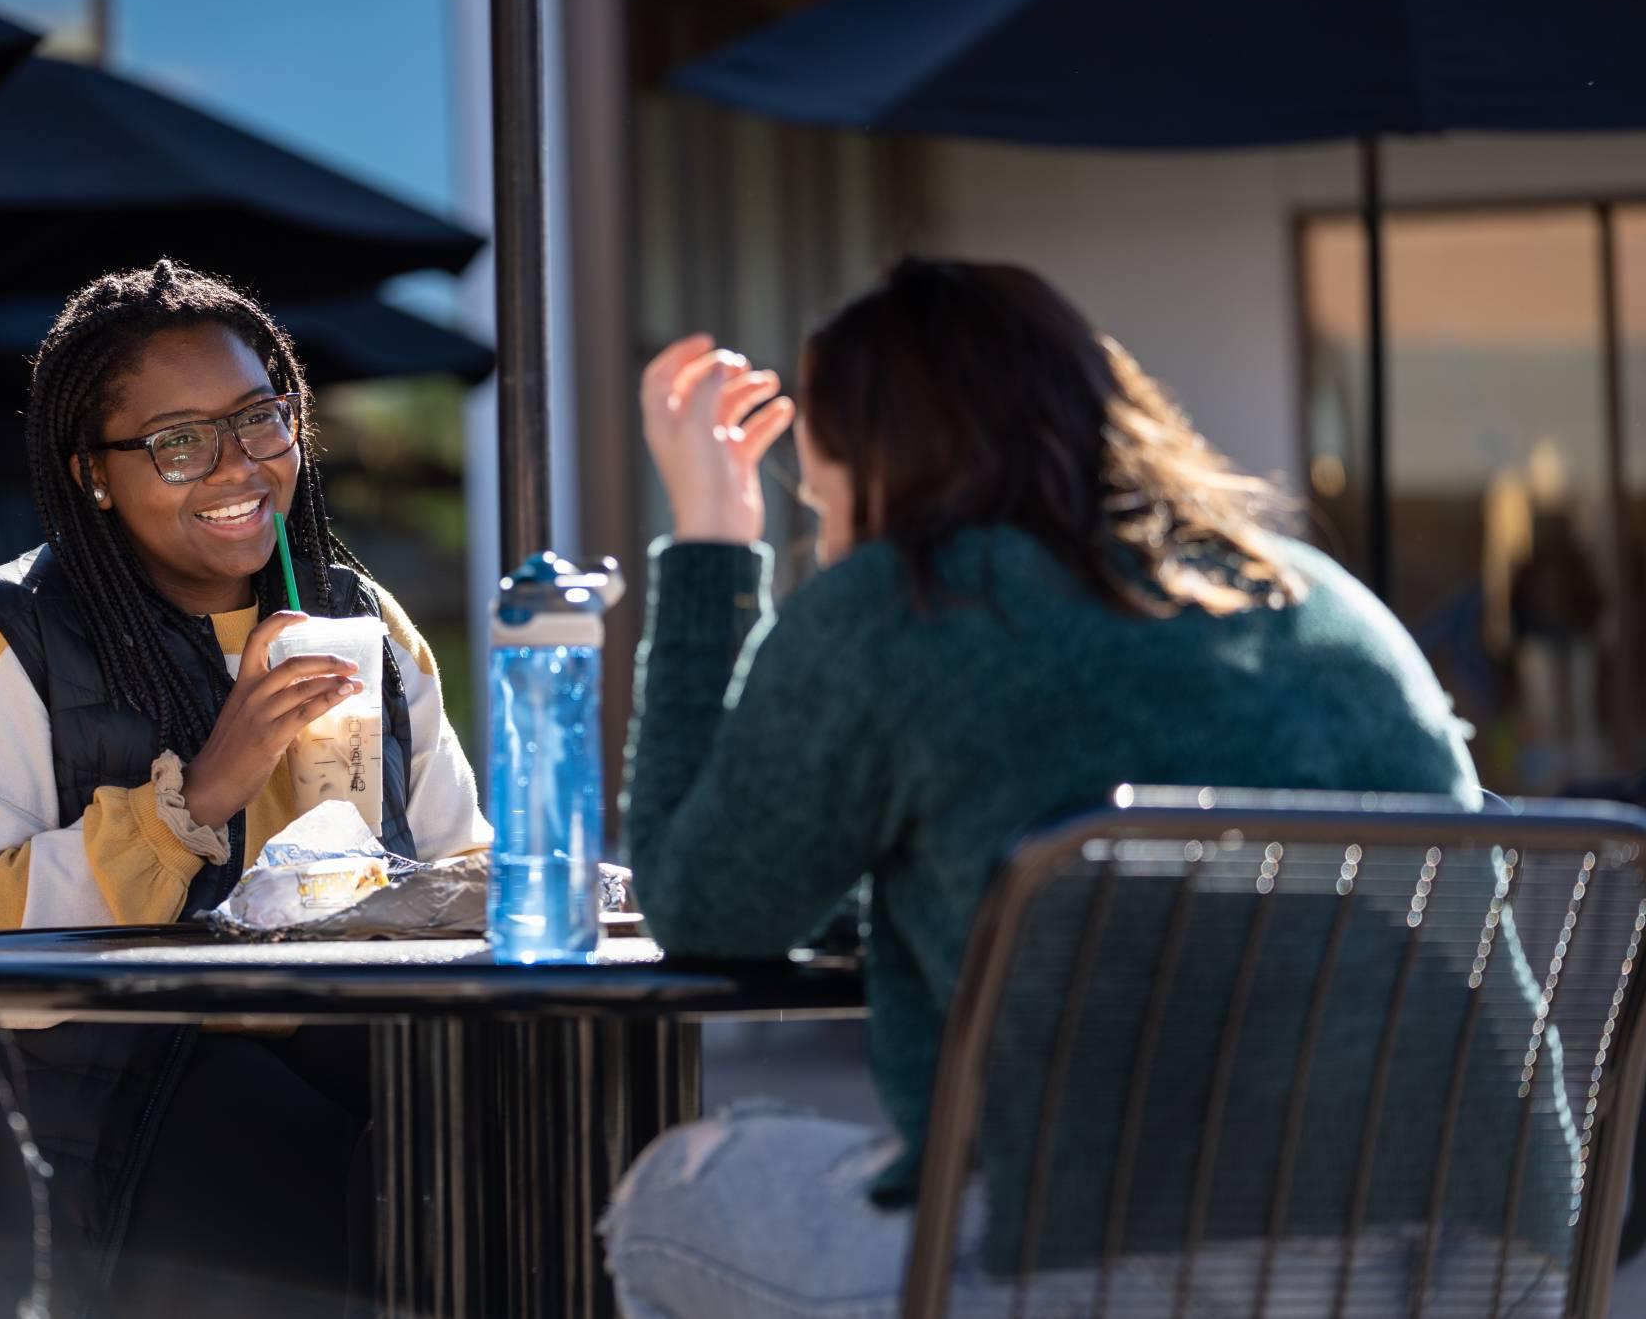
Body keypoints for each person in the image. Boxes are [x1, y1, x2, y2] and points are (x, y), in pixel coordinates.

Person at [599, 259, 1567, 1315]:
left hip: (1130, 1261)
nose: (827, 541)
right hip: (1489, 1251)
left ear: (882, 470)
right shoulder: (1321, 596)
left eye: (825, 503)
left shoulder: (900, 602)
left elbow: (701, 902)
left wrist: (709, 542)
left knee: (668, 1198)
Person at [0, 260, 490, 1317]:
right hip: (94, 1120)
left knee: (499, 1131)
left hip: (348, 1059)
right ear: (93, 472)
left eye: (260, 420)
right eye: (178, 442)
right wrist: (200, 794)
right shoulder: (4, 638)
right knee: (304, 1148)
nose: (236, 467)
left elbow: (460, 868)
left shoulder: (366, 623)